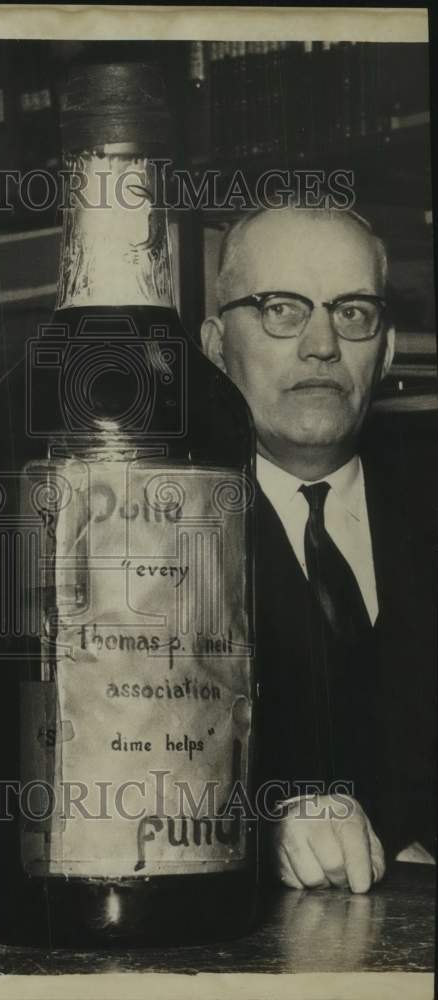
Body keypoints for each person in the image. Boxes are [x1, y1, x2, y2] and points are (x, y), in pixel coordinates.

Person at [200, 206, 436, 893]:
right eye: (281, 309)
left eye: (354, 312)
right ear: (216, 345)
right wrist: (265, 830)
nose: (322, 345)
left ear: (386, 349)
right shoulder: (154, 542)